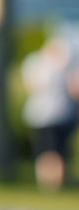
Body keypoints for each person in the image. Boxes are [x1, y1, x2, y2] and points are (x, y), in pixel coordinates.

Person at [21, 31, 78, 190]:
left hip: (63, 115)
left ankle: (57, 183)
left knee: (60, 151)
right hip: (42, 116)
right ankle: (49, 185)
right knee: (46, 152)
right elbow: (33, 85)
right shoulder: (36, 63)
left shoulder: (67, 64)